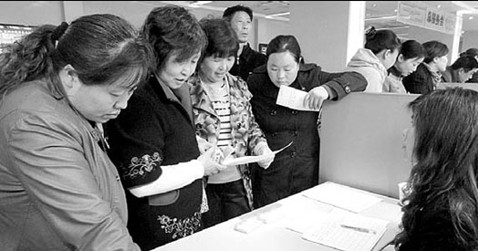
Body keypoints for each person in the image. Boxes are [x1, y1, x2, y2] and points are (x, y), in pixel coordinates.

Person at [0, 14, 154, 250]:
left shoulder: (70, 104)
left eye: (130, 91)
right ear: (71, 76)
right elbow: (92, 224)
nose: (123, 104)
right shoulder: (34, 122)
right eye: (115, 93)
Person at [105, 5, 224, 250]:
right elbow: (142, 182)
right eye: (180, 61)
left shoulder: (174, 86)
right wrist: (200, 167)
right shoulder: (139, 98)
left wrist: (197, 144)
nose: (188, 70)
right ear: (157, 53)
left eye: (193, 61)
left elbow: (168, 136)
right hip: (155, 230)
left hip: (182, 218)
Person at [247, 35, 367, 208]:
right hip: (270, 172)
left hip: (304, 169)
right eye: (273, 68)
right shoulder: (256, 81)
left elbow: (359, 79)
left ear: (299, 63)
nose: (280, 76)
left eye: (287, 69)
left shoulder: (312, 78)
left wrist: (327, 89)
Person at [188, 18, 274, 228]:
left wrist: (261, 146)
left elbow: (250, 125)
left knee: (240, 232)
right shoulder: (186, 89)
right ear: (201, 56)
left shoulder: (238, 85)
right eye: (216, 59)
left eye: (229, 58)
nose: (223, 66)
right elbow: (181, 133)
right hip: (203, 183)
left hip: (237, 179)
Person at [393, 87, 478, 250]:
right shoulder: (463, 198)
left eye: (414, 123)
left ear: (439, 137)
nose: (405, 133)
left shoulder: (448, 219)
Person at [345, 26, 401, 93]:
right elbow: (370, 102)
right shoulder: (373, 75)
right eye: (395, 57)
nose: (394, 61)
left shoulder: (352, 67)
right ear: (387, 53)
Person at [223, 4, 267, 81]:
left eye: (248, 22)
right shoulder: (219, 58)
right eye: (240, 21)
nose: (245, 26)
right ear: (227, 24)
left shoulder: (261, 60)